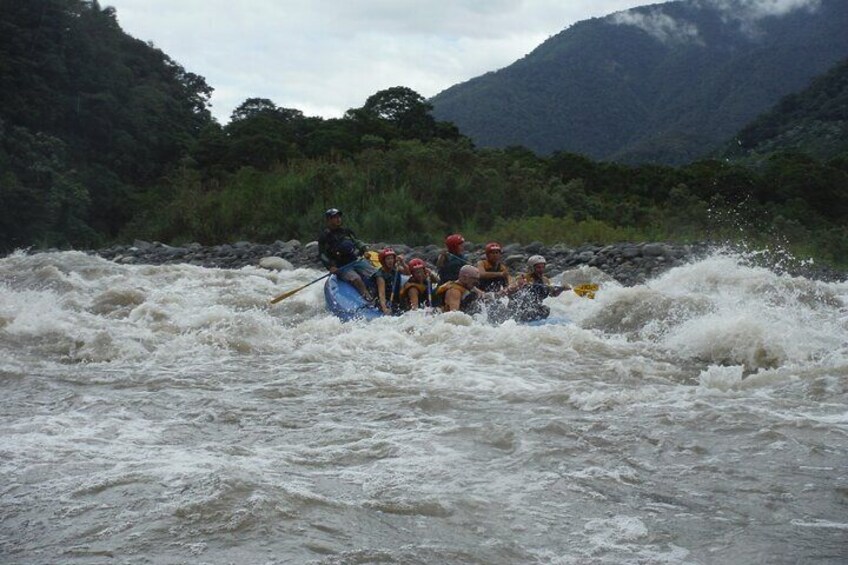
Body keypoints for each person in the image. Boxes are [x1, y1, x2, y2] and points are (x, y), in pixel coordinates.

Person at [317, 208, 375, 301]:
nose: (338, 219)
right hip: (341, 266)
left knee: (376, 273)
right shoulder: (324, 236)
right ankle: (369, 299)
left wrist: (364, 249)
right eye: (335, 217)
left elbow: (356, 242)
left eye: (339, 216)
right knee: (356, 279)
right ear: (328, 220)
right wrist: (330, 266)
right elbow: (322, 255)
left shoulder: (346, 231)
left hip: (355, 260)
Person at [508, 255, 569, 322]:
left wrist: (561, 289)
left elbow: (552, 294)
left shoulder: (545, 280)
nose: (541, 270)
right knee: (530, 312)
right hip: (519, 307)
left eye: (543, 267)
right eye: (538, 268)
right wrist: (519, 285)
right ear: (532, 268)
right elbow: (510, 289)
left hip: (534, 306)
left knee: (546, 310)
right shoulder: (522, 278)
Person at [372, 247, 407, 315]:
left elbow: (408, 273)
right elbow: (381, 294)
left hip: (395, 299)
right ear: (383, 261)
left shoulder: (396, 269)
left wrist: (402, 262)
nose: (390, 261)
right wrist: (385, 308)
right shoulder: (380, 276)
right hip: (386, 301)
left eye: (392, 258)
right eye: (388, 259)